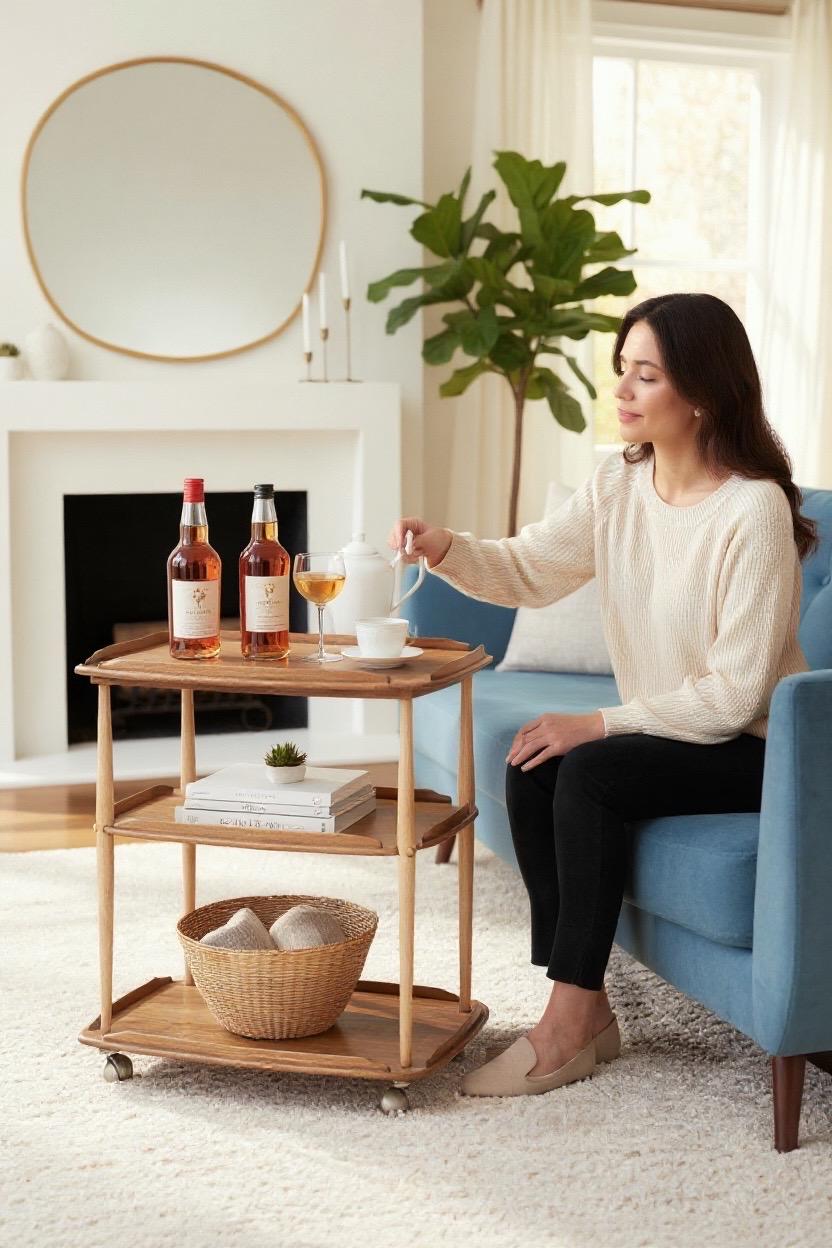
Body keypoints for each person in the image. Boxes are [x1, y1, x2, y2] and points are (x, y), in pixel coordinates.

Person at [388, 292, 818, 1099]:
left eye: (645, 375)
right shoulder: (620, 484)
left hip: (760, 750)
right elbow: (529, 570)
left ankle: (569, 1021)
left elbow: (732, 699)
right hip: (676, 732)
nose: (621, 390)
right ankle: (582, 1002)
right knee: (531, 760)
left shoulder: (752, 511)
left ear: (700, 393)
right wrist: (447, 547)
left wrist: (599, 722)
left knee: (584, 766)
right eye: (622, 370)